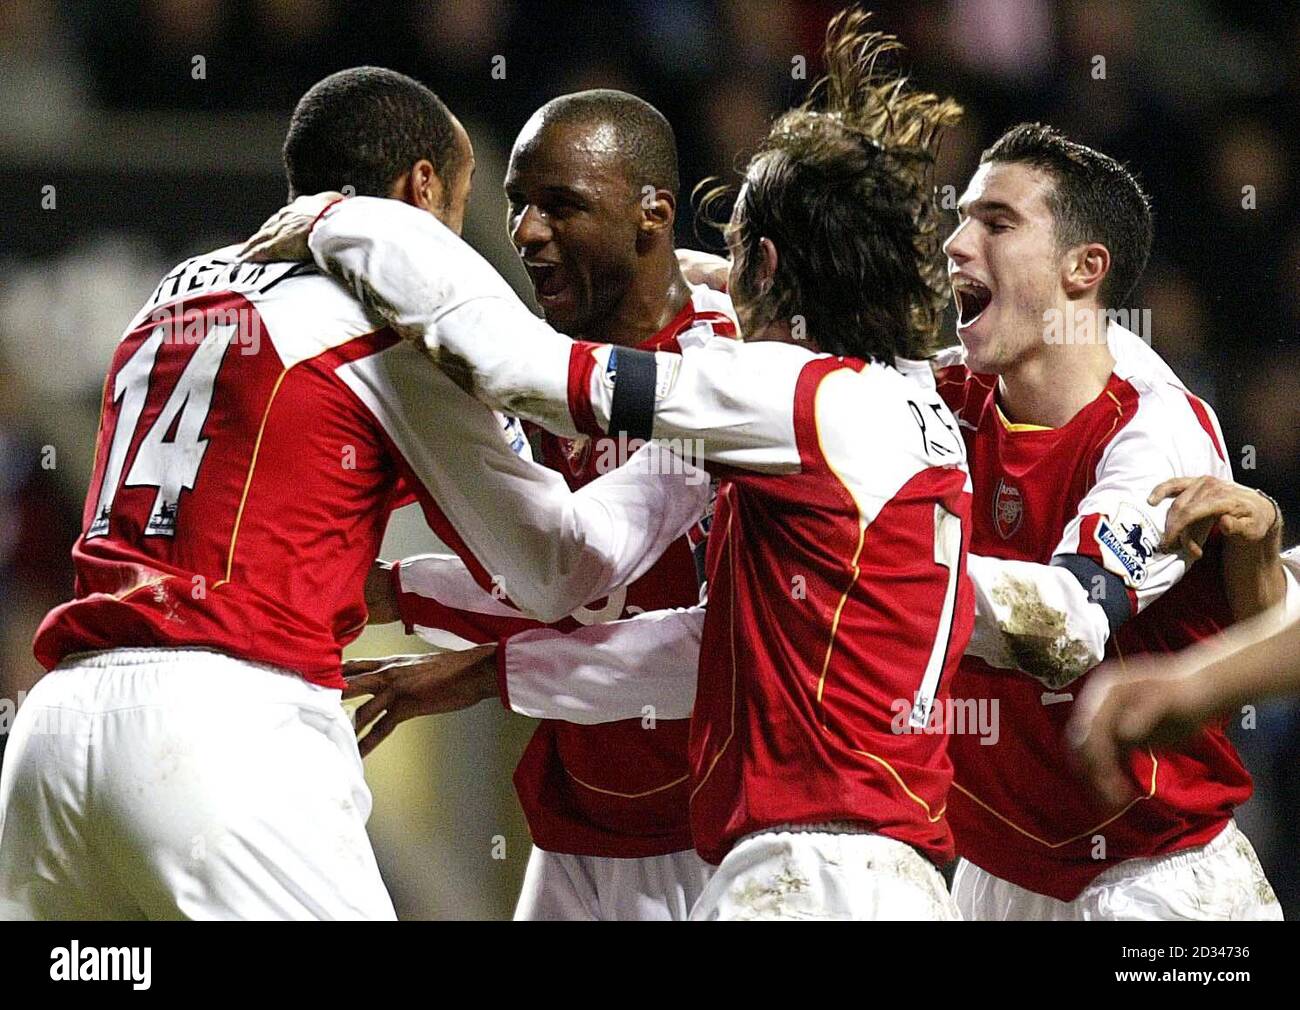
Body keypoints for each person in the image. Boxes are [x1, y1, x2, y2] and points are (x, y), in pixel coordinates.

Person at [244, 8, 975, 921]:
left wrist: (351, 223)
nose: (527, 229)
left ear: (764, 262)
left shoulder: (764, 395)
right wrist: (474, 657)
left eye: (737, 250)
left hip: (791, 861)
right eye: (518, 202)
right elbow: (715, 638)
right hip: (839, 855)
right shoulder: (903, 409)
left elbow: (534, 403)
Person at [0, 67, 703, 921]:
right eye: (474, 202)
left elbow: (291, 475)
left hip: (53, 737)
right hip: (220, 729)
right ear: (422, 188)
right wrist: (692, 453)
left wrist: (400, 586)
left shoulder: (170, 296)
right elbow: (556, 568)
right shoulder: (393, 326)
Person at [358, 89, 734, 921]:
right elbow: (556, 580)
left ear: (653, 213)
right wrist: (387, 592)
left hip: (714, 837)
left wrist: (482, 664)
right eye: (518, 204)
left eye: (561, 205)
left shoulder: (732, 375)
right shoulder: (538, 371)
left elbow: (700, 635)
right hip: (579, 825)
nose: (527, 232)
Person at [929, 123, 1281, 920]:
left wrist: (881, 568)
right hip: (996, 873)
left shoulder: (1156, 439)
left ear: (1085, 268)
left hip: (1155, 881)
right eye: (961, 217)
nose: (955, 242)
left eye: (996, 222)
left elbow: (1064, 628)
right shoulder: (943, 398)